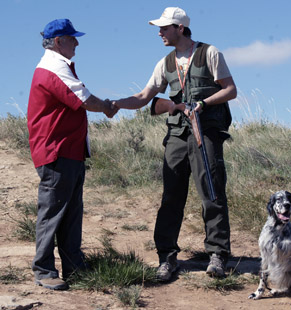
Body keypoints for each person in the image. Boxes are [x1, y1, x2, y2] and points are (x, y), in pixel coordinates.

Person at [114, 7, 237, 281]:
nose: (160, 33)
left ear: (180, 28)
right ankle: (166, 258)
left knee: (212, 193)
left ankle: (217, 255)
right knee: (171, 198)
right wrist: (117, 104)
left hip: (206, 133)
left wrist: (204, 103)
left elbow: (231, 89)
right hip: (177, 136)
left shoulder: (210, 53)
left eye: (165, 28)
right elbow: (145, 96)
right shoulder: (165, 63)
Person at [27, 18, 118, 290]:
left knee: (69, 212)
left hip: (68, 152)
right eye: (72, 38)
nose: (76, 42)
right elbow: (84, 99)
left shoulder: (56, 67)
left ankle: (73, 266)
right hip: (57, 151)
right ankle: (44, 270)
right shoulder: (53, 68)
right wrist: (107, 106)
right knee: (53, 212)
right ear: (59, 41)